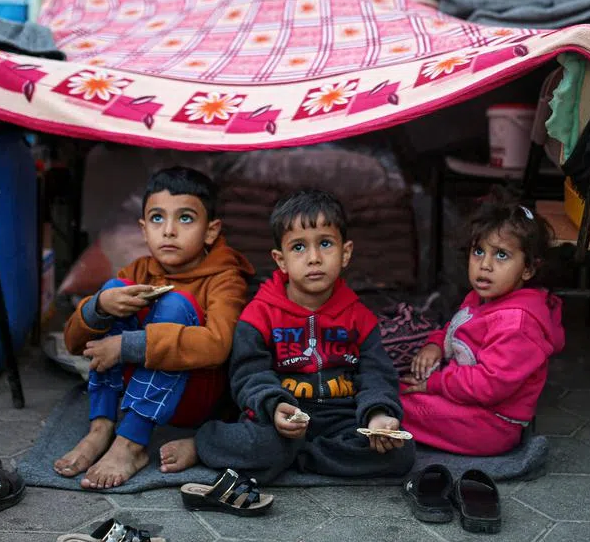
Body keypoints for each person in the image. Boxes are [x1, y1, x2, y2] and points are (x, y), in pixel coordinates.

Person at [158, 189, 415, 483]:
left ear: (345, 253)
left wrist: (378, 414)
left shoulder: (360, 317)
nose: (314, 258)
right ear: (280, 260)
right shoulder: (259, 315)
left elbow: (377, 374)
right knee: (266, 444)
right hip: (280, 418)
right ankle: (205, 443)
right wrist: (275, 405)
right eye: (299, 248)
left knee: (401, 451)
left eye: (326, 244)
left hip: (341, 419)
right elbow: (247, 375)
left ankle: (297, 457)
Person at [55, 167, 253, 489]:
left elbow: (219, 345)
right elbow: (75, 343)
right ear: (143, 229)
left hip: (195, 397)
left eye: (186, 219)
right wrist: (100, 306)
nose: (169, 231)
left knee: (177, 304)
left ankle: (131, 443)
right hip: (134, 388)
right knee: (113, 289)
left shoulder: (225, 278)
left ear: (211, 230)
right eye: (158, 219)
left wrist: (126, 346)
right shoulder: (139, 270)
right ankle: (101, 426)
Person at [400, 187, 565, 456]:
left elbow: (489, 385)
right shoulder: (480, 298)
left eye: (501, 255)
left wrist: (435, 384)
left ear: (528, 269)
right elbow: (454, 329)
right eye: (479, 252)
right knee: (393, 389)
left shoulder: (517, 324)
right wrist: (436, 346)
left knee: (394, 403)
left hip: (491, 425)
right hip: (467, 403)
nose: (485, 265)